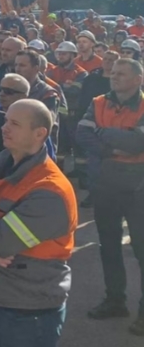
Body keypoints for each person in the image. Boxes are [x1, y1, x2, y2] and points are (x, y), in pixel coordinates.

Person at [0, 99, 77, 347]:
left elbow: (1, 241)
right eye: (5, 120)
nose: (4, 127)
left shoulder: (49, 190)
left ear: (40, 133)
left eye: (14, 123)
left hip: (28, 311)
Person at [78, 58, 144, 334]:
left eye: (121, 74)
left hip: (138, 187)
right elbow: (82, 134)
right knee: (109, 246)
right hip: (106, 183)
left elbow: (138, 142)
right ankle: (115, 300)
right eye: (113, 73)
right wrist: (111, 148)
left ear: (138, 79)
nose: (114, 77)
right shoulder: (98, 101)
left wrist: (103, 134)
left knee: (142, 250)